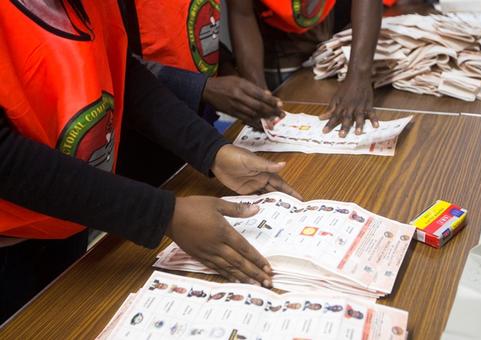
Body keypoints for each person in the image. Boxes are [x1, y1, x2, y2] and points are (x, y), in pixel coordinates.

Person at [0, 0, 300, 324]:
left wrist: (213, 151)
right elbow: (7, 159)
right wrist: (163, 214)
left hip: (67, 220)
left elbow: (123, 72)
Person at [229, 0, 383, 137]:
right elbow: (242, 13)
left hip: (322, 47)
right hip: (277, 58)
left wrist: (359, 75)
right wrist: (257, 93)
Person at [124, 0, 284, 129]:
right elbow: (124, 62)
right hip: (148, 120)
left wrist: (255, 96)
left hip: (203, 109)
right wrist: (203, 87)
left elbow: (201, 29)